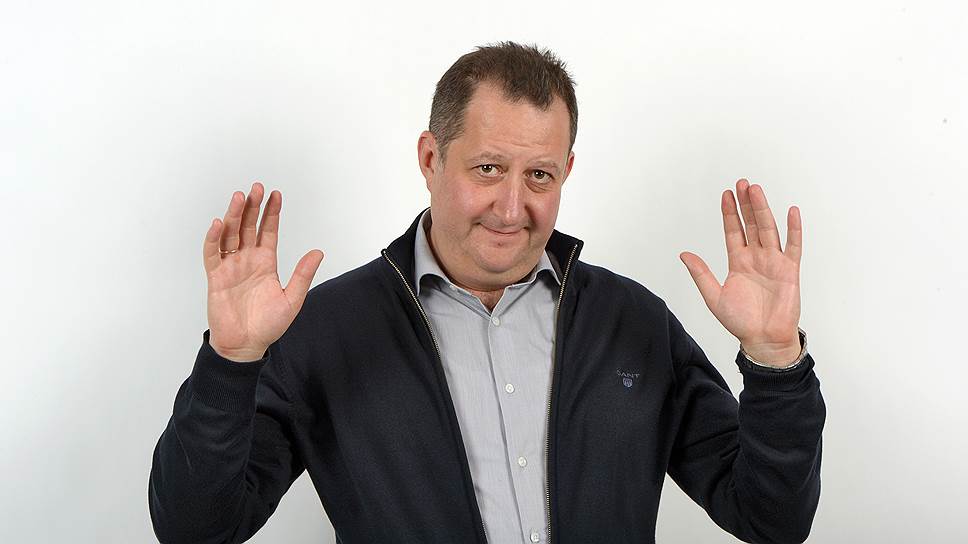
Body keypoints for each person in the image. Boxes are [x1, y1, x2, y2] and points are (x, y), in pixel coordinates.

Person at [148, 41, 825, 544]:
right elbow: (196, 529)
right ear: (430, 158)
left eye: (539, 176)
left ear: (567, 172)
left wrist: (775, 361)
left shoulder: (634, 322)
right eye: (488, 168)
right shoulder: (326, 331)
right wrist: (231, 364)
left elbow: (770, 519)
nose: (511, 207)